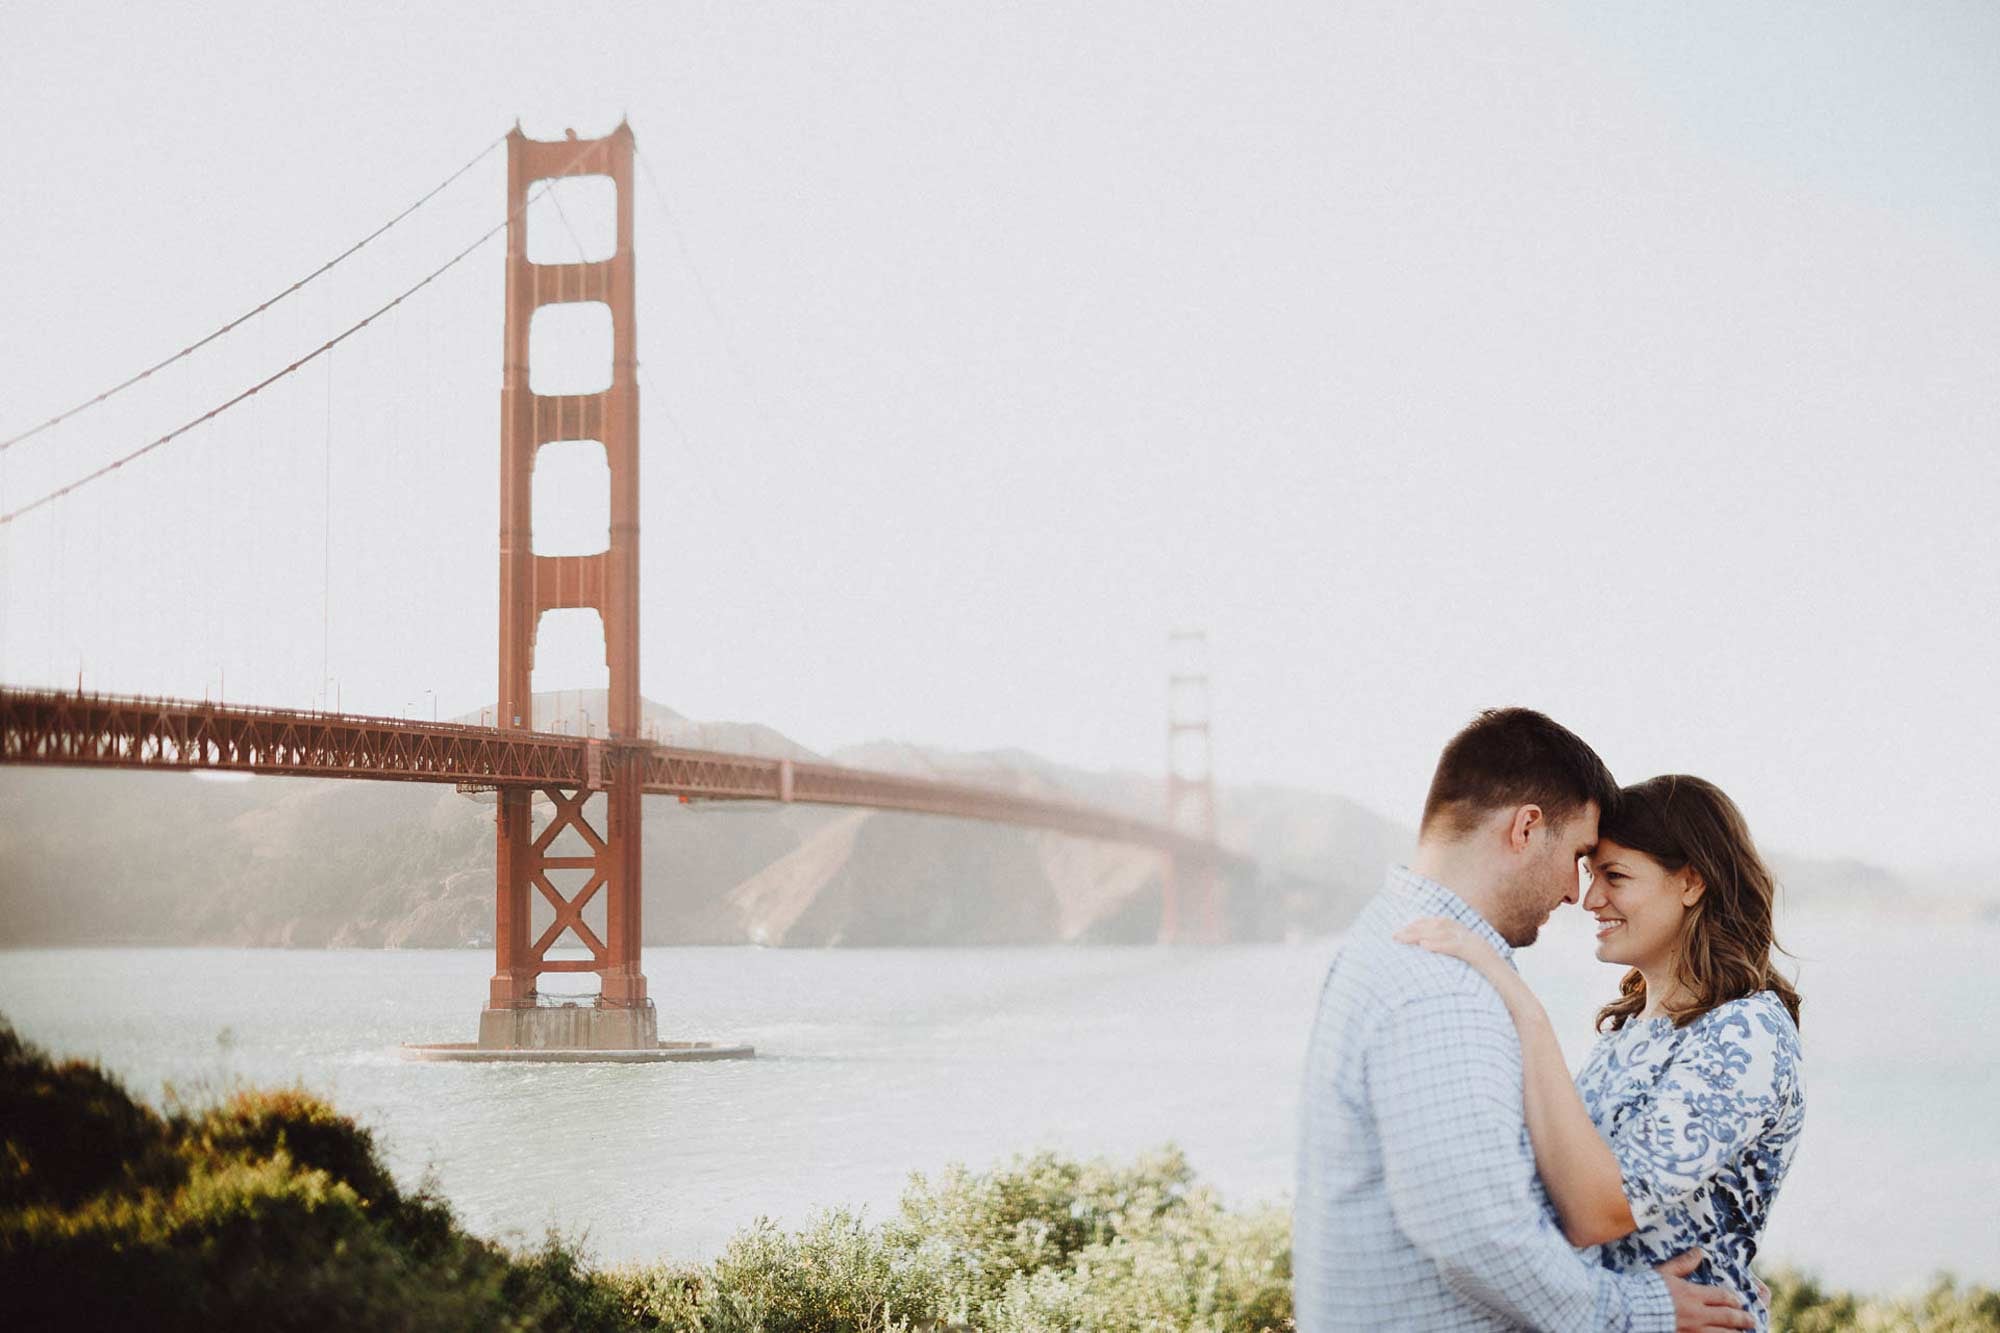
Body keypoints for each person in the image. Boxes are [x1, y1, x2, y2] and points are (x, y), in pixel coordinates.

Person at [1294, 708, 1754, 1331]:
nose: (1576, 894)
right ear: (1526, 829)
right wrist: (1636, 1307)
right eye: (1579, 856)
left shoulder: (1395, 939)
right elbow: (1480, 1236)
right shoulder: (1441, 986)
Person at [1397, 774, 1804, 1333]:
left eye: (1614, 876)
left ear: (1691, 881)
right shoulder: (1634, 1028)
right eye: (1591, 874)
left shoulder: (1745, 1031)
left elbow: (1597, 1211)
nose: (1589, 899)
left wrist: (1522, 1006)